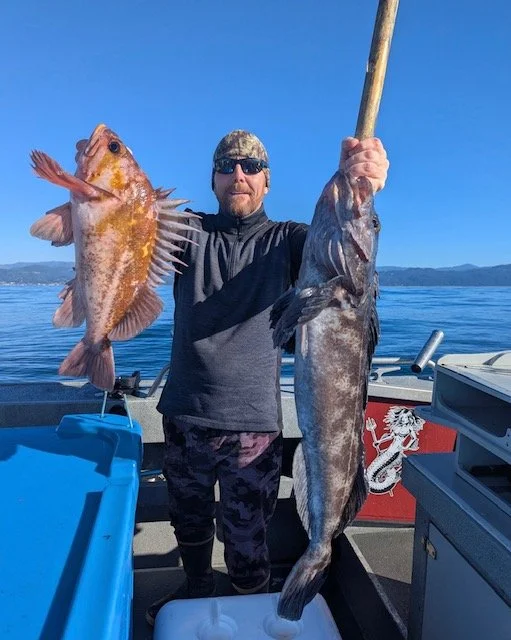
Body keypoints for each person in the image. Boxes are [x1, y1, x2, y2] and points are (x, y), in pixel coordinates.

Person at [146, 130, 389, 626]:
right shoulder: (185, 233)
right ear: (213, 179)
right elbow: (129, 227)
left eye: (251, 168)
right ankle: (194, 588)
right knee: (188, 523)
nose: (240, 175)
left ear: (267, 182)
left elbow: (348, 262)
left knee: (246, 538)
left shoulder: (292, 240)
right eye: (228, 166)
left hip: (253, 427)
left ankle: (254, 606)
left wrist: (365, 188)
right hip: (184, 414)